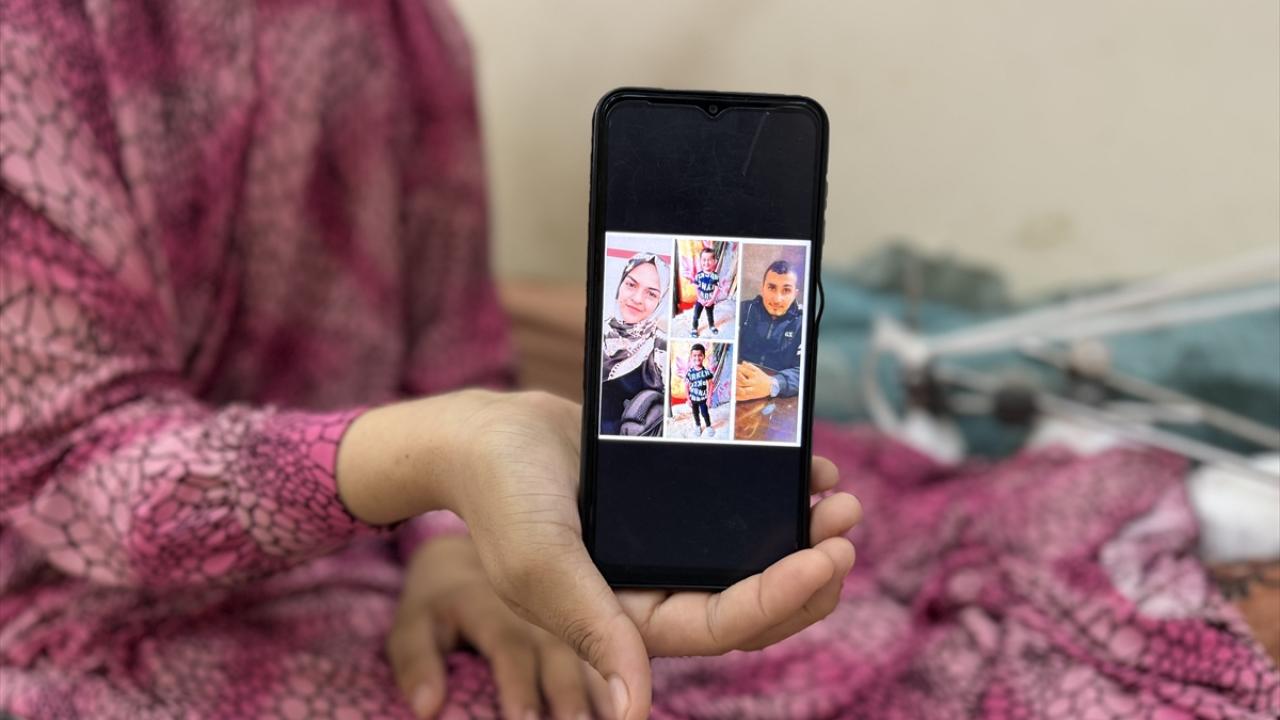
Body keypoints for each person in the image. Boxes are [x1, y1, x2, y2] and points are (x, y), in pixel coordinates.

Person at [0, 3, 862, 719]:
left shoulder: (411, 31)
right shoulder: (34, 40)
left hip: (397, 544)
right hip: (82, 591)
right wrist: (443, 455)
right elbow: (69, 465)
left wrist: (452, 543)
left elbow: (459, 353)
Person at [600, 252, 669, 436]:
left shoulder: (661, 349)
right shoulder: (597, 330)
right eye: (631, 284)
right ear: (619, 285)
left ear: (661, 301)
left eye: (651, 294)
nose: (637, 298)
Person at [737, 260, 805, 401]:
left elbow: (807, 370)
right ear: (762, 288)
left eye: (786, 290)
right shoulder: (742, 310)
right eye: (771, 287)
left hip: (778, 399)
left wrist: (773, 384)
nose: (777, 299)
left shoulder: (804, 322)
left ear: (795, 293)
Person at [690, 247, 723, 337]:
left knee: (710, 315)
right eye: (704, 260)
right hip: (700, 300)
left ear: (714, 261)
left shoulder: (715, 276)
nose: (706, 262)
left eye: (709, 260)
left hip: (710, 300)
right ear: (701, 261)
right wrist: (700, 298)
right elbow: (696, 287)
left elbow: (717, 288)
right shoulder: (699, 275)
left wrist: (712, 300)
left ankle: (711, 326)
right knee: (696, 315)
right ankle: (694, 328)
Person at [684, 343, 716, 437]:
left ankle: (708, 426)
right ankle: (698, 426)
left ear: (703, 356)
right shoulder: (690, 373)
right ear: (691, 357)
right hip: (693, 399)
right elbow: (686, 386)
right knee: (695, 413)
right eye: (694, 355)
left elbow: (711, 384)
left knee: (705, 413)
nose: (697, 358)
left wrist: (709, 398)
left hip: (703, 399)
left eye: (700, 355)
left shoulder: (706, 372)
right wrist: (688, 399)